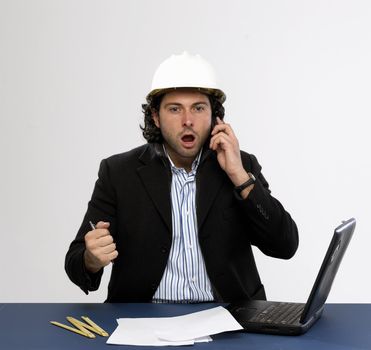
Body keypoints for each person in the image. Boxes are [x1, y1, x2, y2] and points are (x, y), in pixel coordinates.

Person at [65, 52, 299, 303]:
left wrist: (239, 176)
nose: (188, 121)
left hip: (229, 316)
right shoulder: (119, 172)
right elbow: (76, 262)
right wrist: (91, 260)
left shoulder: (242, 166)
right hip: (145, 320)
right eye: (175, 109)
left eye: (198, 108)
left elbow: (284, 245)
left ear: (214, 116)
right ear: (155, 116)